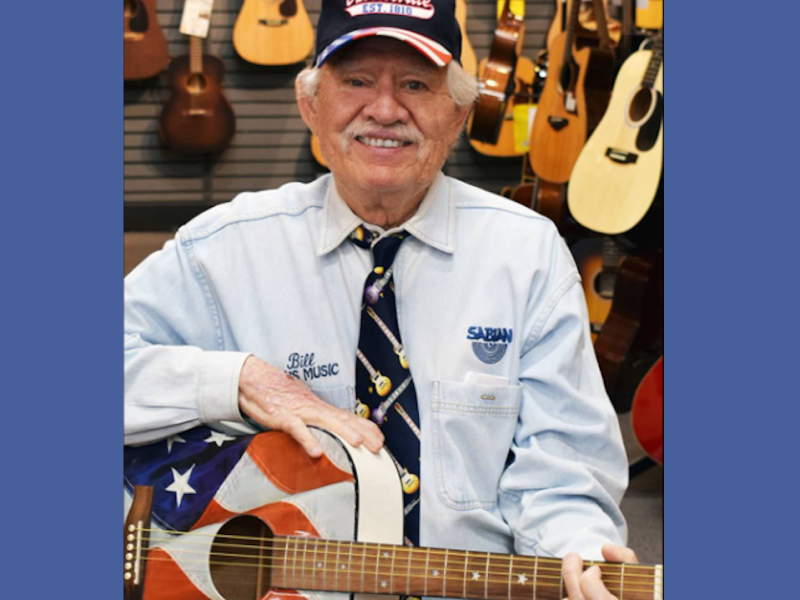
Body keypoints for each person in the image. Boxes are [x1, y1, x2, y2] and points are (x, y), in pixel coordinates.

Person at [124, 1, 638, 598]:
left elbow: (565, 466)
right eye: (357, 81)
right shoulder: (223, 250)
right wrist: (237, 379)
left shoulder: (527, 256)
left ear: (460, 113)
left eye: (416, 84)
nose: (386, 110)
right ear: (310, 105)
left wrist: (574, 550)